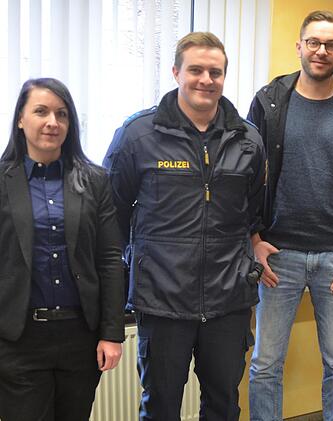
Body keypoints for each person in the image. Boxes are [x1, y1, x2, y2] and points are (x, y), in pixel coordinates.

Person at [104, 32, 265, 420]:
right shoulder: (138, 135)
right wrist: (131, 270)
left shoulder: (248, 140)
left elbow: (255, 213)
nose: (206, 80)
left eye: (215, 72)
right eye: (196, 70)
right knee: (160, 407)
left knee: (224, 406)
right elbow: (110, 216)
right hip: (162, 302)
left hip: (228, 300)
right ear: (176, 72)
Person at [247, 10, 333, 421]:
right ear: (299, 46)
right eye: (314, 42)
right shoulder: (270, 101)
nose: (321, 51)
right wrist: (254, 239)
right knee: (265, 364)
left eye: (330, 44)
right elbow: (244, 176)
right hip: (278, 257)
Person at [0, 78, 124, 421]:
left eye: (62, 114)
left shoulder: (95, 180)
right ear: (20, 119)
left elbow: (110, 260)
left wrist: (112, 334)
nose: (52, 122)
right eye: (41, 111)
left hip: (79, 338)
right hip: (18, 339)